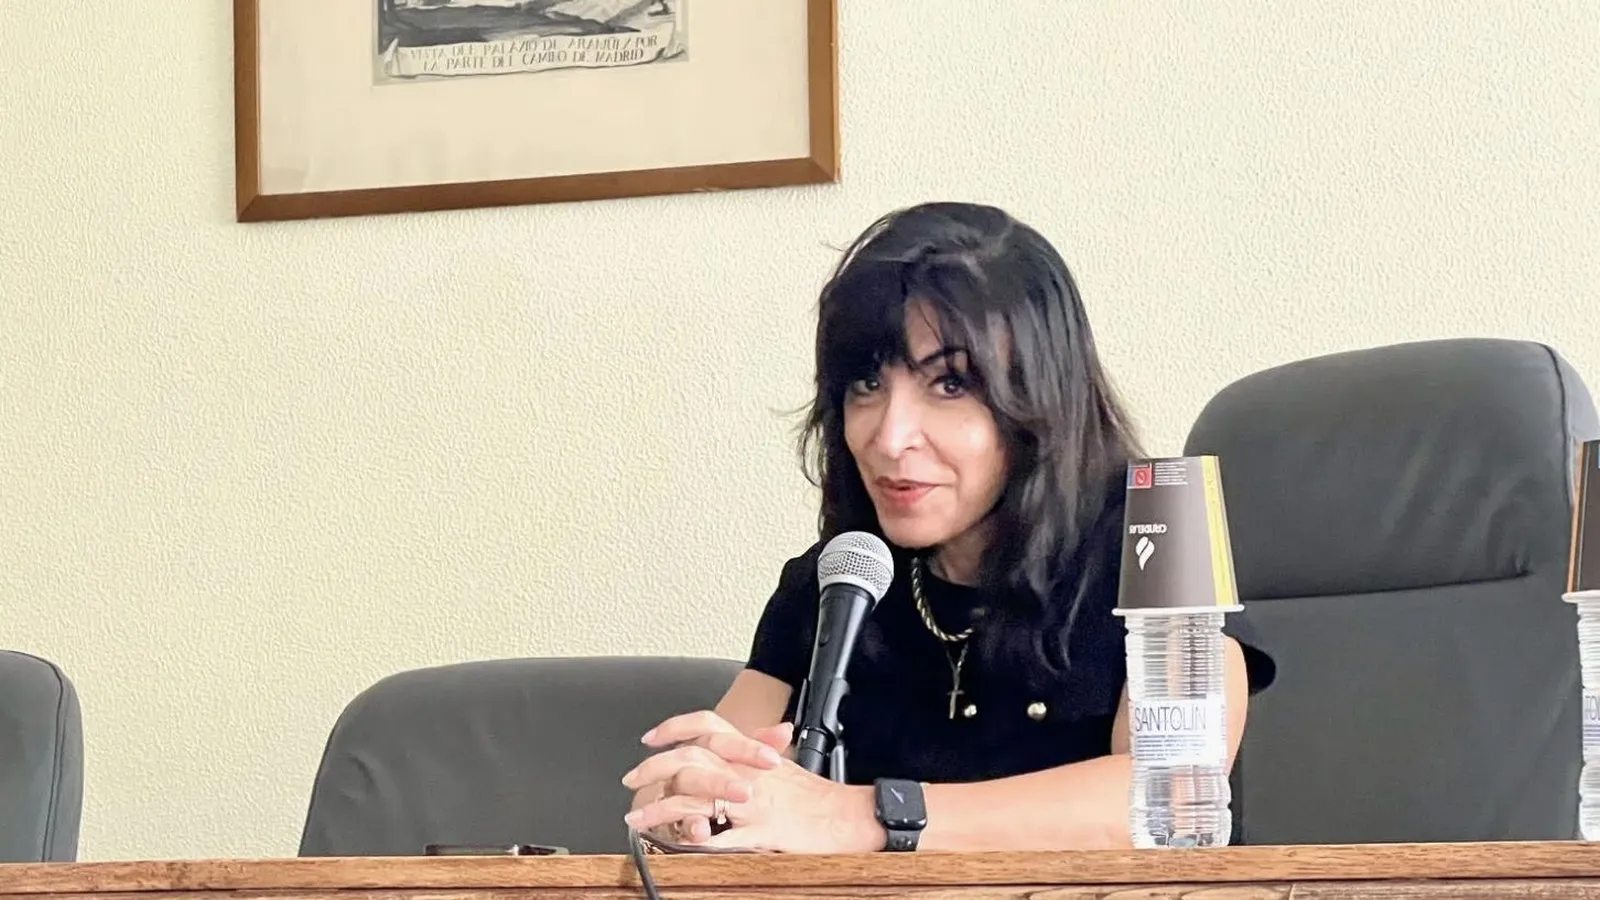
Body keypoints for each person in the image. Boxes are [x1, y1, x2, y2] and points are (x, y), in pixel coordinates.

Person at [621, 201, 1277, 854]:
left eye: (949, 385)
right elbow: (713, 782)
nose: (889, 437)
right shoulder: (845, 577)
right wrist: (691, 805)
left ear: (1040, 399)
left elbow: (1170, 799)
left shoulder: (1156, 543)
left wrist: (854, 816)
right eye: (867, 383)